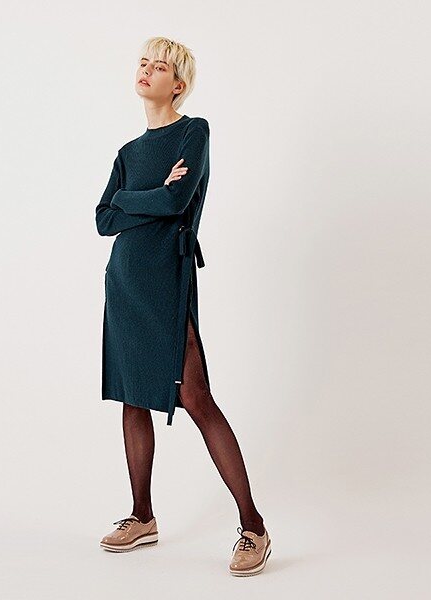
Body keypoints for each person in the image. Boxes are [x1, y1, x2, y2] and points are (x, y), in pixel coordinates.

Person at [95, 36, 271, 576]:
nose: (147, 70)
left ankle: (254, 526)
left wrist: (129, 199)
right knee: (132, 398)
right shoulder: (128, 153)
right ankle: (142, 516)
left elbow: (176, 201)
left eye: (160, 66)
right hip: (124, 282)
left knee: (195, 396)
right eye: (143, 62)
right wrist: (137, 198)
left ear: (179, 84)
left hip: (166, 280)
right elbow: (103, 219)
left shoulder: (194, 132)